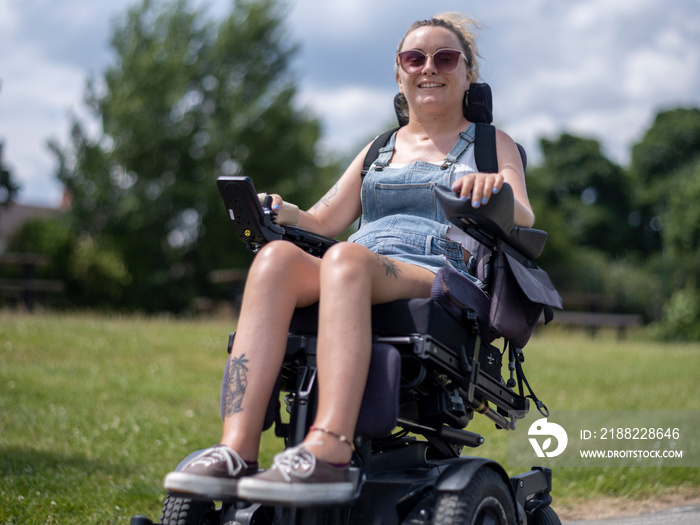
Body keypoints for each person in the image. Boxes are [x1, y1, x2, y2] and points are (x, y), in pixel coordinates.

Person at [164, 12, 534, 505]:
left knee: (345, 261)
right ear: (399, 73)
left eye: (446, 58)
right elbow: (320, 221)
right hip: (359, 264)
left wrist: (495, 191)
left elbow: (523, 215)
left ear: (468, 75)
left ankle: (328, 452)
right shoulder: (379, 148)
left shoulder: (490, 144)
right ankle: (236, 450)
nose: (430, 67)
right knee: (275, 257)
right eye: (414, 57)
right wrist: (286, 211)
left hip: (435, 271)